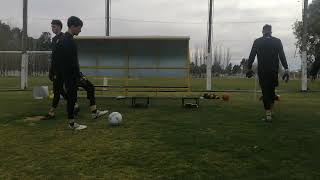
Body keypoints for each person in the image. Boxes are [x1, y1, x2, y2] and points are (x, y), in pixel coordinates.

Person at [44, 19, 108, 121]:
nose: (80, 30)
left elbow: (67, 59)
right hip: (68, 74)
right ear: (73, 26)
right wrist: (54, 72)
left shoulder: (64, 39)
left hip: (69, 74)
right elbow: (59, 59)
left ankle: (89, 112)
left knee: (83, 90)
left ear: (60, 27)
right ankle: (73, 118)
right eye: (79, 28)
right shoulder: (64, 40)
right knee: (67, 93)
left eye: (54, 26)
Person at [246, 24, 289, 122]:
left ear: (262, 31)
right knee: (272, 91)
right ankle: (271, 112)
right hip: (274, 71)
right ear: (271, 31)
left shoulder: (257, 42)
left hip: (263, 71)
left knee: (265, 92)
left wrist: (249, 68)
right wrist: (286, 68)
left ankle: (268, 115)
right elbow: (282, 56)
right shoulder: (277, 41)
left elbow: (251, 55)